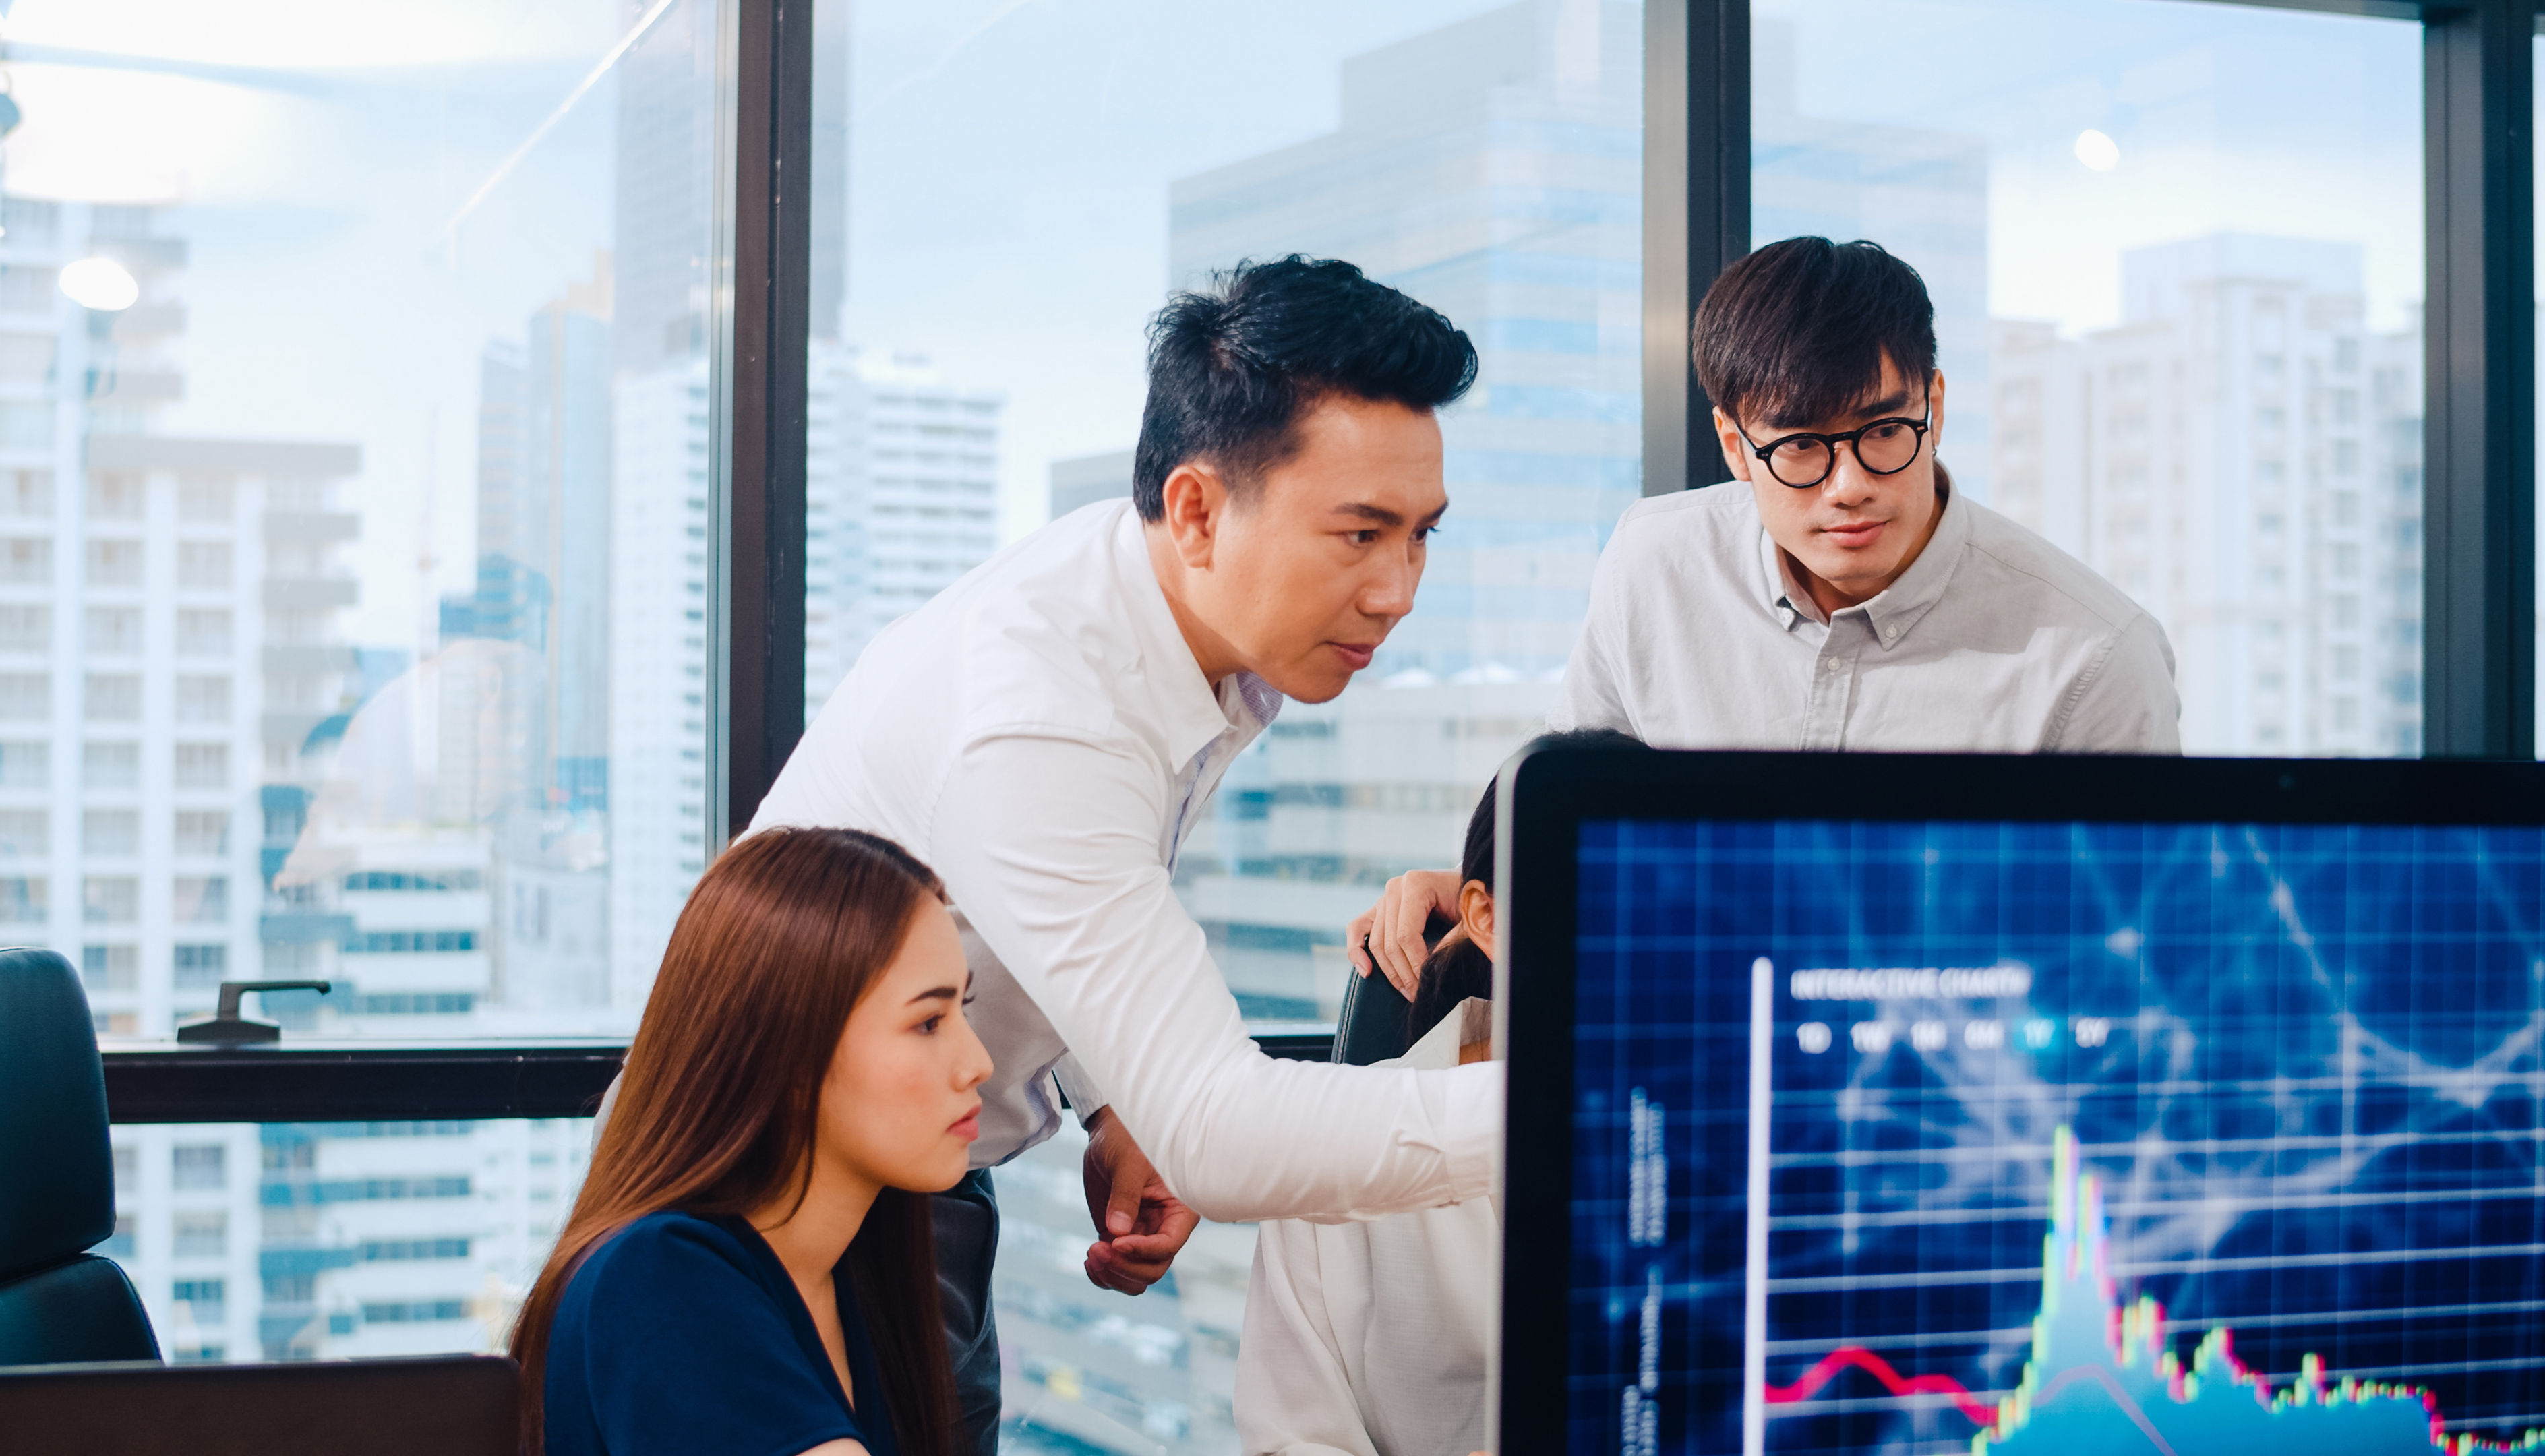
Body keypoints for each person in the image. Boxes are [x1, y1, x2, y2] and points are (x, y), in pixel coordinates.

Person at [747, 255, 1495, 1450]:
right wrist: (1595, 1107)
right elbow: (1227, 1140)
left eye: (1420, 537)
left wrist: (1110, 1090)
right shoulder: (1046, 704)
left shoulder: (1179, 615)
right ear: (1197, 510)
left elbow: (1069, 888)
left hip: (915, 1172)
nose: (1397, 590)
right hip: (784, 1217)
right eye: (1360, 534)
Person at [1350, 237, 2182, 996]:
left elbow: (2133, 962)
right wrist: (1487, 897)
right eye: (1800, 447)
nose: (1849, 484)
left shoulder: (2094, 655)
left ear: (1934, 403)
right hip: (1686, 1042)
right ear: (1733, 444)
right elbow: (1577, 840)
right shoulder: (1655, 563)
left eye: (1885, 430)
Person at [513, 827, 993, 1456]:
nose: (977, 1062)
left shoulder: (850, 1277)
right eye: (928, 1022)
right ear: (790, 1055)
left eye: (964, 1009)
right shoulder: (660, 1279)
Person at [1236, 731, 1641, 1456]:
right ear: (1484, 918)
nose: (1630, 939)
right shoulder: (1332, 1158)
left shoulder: (1742, 1143)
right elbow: (1289, 1439)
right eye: (1591, 890)